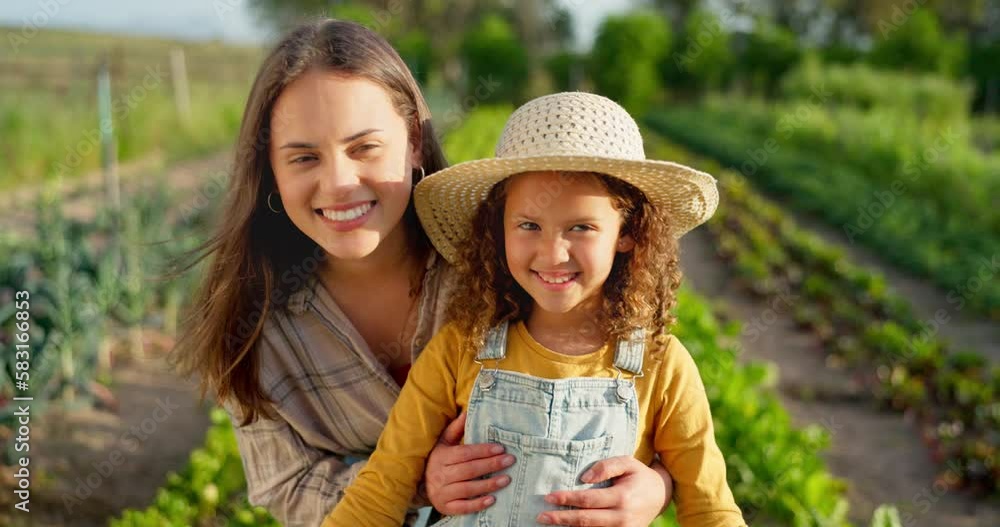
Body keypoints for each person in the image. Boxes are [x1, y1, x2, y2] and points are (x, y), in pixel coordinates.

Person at [171, 19, 675, 527]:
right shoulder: (254, 325)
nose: (340, 182)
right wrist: (413, 482)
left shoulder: (511, 272)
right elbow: (283, 485)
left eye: (364, 147)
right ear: (271, 173)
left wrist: (657, 485)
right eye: (304, 157)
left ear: (413, 140)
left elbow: (643, 393)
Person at [324, 92, 746, 527]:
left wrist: (660, 488)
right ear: (498, 229)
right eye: (528, 225)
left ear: (629, 232)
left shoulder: (662, 366)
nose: (552, 252)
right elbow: (383, 486)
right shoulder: (459, 349)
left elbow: (709, 508)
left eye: (581, 227)